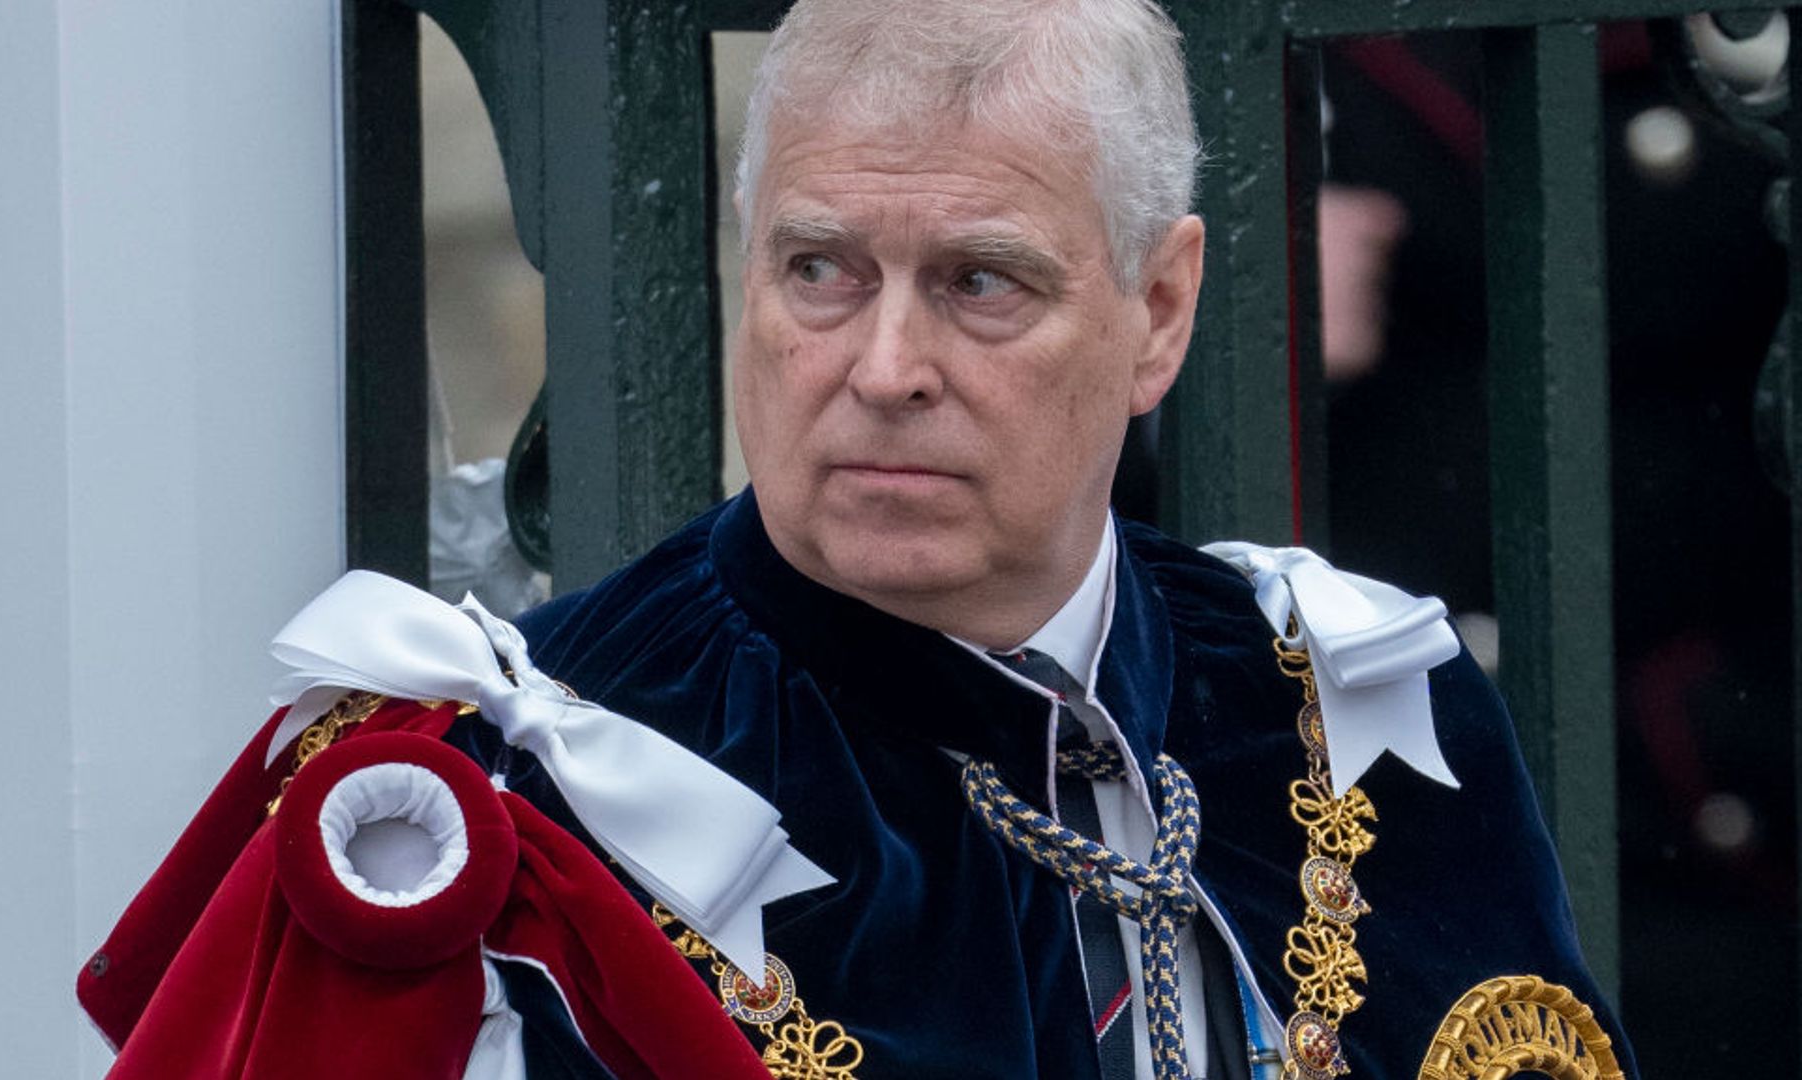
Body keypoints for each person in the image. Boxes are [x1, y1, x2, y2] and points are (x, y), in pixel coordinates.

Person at [479, 2, 1641, 1078]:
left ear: (1161, 312)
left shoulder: (1357, 709)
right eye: (821, 271)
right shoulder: (510, 794)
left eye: (980, 281)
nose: (885, 373)